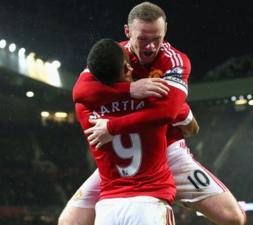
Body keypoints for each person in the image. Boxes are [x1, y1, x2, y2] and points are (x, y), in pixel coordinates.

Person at [59, 2, 246, 225]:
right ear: (128, 32)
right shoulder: (114, 56)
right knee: (69, 222)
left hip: (167, 152)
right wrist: (130, 89)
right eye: (142, 39)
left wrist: (111, 125)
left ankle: (171, 191)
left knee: (233, 217)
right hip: (125, 163)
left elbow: (168, 112)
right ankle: (164, 192)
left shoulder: (173, 60)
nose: (149, 47)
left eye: (156, 38)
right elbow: (80, 90)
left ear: (165, 30)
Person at [74, 38, 183, 225]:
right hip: (149, 202)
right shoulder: (153, 99)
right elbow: (174, 114)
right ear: (126, 67)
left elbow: (79, 92)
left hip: (108, 209)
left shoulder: (84, 107)